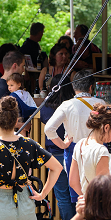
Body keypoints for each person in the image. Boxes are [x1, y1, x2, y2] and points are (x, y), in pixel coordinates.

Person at [44, 69, 104, 203]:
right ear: (91, 87)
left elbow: (48, 128)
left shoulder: (67, 105)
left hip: (74, 150)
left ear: (73, 86)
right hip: (98, 151)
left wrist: (62, 144)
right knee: (96, 191)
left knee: (78, 193)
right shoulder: (101, 104)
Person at [40, 74, 76, 220]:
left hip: (54, 155)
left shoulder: (46, 107)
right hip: (72, 154)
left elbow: (43, 121)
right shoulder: (72, 106)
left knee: (62, 195)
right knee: (77, 192)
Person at [69, 103, 111, 197]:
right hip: (100, 207)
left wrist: (85, 198)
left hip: (87, 205)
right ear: (107, 127)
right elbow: (103, 189)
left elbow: (73, 182)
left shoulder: (80, 144)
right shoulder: (101, 151)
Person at [0, 51, 25, 132]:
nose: (23, 70)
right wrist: (22, 125)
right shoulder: (1, 89)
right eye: (22, 66)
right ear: (15, 65)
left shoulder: (9, 86)